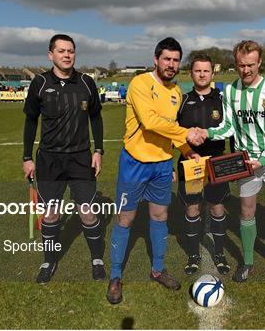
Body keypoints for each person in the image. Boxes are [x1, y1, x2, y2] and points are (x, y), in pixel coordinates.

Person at [107, 37, 203, 304]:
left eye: (175, 60)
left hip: (162, 165)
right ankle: (115, 276)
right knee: (125, 219)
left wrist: (187, 150)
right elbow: (150, 122)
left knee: (160, 217)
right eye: (167, 59)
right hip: (134, 163)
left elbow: (170, 131)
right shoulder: (140, 83)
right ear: (156, 59)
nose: (171, 65)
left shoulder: (176, 93)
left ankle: (157, 269)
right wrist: (188, 133)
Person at [197, 40, 265, 288]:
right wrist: (207, 133)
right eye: (241, 65)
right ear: (236, 64)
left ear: (260, 62)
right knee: (246, 211)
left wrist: (263, 160)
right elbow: (229, 126)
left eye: (251, 65)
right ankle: (248, 261)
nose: (246, 70)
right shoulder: (230, 92)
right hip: (244, 162)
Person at [22, 34, 105, 284]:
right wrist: (27, 157)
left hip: (81, 159)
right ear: (51, 55)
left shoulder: (87, 83)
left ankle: (97, 259)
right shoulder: (39, 83)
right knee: (51, 215)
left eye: (71, 51)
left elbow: (96, 118)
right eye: (61, 51)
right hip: (49, 160)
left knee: (88, 214)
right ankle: (49, 260)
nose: (67, 55)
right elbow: (30, 121)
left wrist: (98, 151)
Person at [177, 53, 231, 276]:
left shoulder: (222, 99)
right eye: (197, 70)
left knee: (217, 208)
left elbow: (231, 129)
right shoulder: (182, 101)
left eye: (206, 70)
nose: (202, 74)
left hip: (216, 163)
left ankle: (219, 253)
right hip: (190, 163)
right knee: (192, 208)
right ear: (191, 73)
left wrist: (236, 159)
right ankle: (193, 255)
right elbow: (173, 133)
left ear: (212, 73)